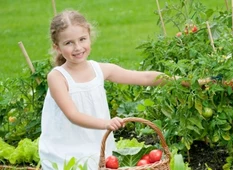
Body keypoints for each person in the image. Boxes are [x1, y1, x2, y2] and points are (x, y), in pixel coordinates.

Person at [38, 10, 214, 170]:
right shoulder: (58, 77)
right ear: (57, 46)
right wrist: (105, 124)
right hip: (64, 151)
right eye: (69, 43)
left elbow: (145, 77)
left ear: (89, 36)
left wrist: (189, 82)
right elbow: (73, 115)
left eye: (82, 39)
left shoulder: (99, 69)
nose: (77, 47)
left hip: (96, 147)